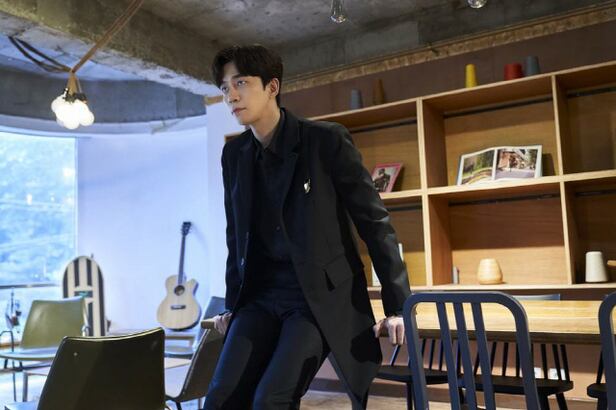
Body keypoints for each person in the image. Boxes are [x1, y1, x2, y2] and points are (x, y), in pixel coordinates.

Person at [204, 44, 411, 410]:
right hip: (260, 298)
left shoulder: (325, 141)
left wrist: (399, 306)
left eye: (241, 83)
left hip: (315, 299)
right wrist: (232, 304)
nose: (231, 96)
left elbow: (374, 222)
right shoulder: (234, 155)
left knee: (271, 399)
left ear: (272, 86)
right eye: (224, 88)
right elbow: (236, 237)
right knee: (219, 398)